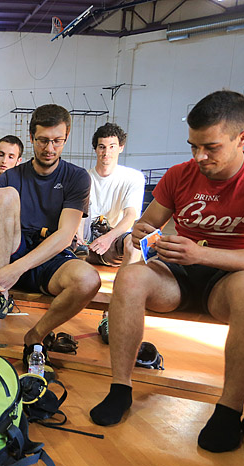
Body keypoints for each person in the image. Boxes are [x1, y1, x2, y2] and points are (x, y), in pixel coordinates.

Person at [90, 90, 244, 453]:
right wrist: (139, 232)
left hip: (231, 278)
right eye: (193, 146)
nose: (199, 157)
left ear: (243, 138)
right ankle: (120, 388)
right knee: (131, 276)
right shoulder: (180, 175)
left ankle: (228, 409)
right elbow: (147, 223)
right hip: (180, 275)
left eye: (211, 147)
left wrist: (203, 255)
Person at [0, 104, 101, 363]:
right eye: (42, 140)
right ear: (31, 138)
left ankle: (36, 336)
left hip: (49, 256)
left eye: (57, 141)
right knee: (3, 196)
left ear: (66, 137)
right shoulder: (10, 177)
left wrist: (15, 271)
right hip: (10, 251)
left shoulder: (77, 178)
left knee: (88, 280)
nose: (49, 148)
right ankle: (0, 295)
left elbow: (64, 235)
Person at [79, 122, 146, 343]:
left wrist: (108, 237)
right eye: (101, 147)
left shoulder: (132, 177)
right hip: (86, 246)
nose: (106, 152)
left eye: (111, 146)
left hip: (113, 244)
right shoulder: (82, 178)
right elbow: (77, 214)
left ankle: (113, 314)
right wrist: (78, 239)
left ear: (121, 147)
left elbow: (130, 216)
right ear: (95, 149)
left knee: (134, 244)